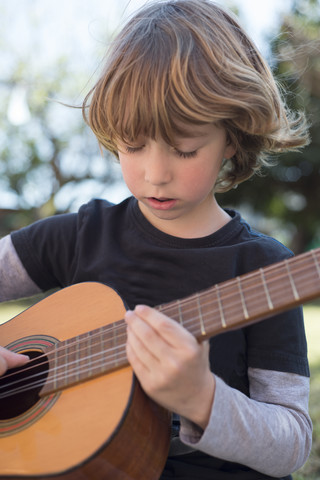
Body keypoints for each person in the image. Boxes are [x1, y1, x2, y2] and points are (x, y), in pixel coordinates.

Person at [0, 1, 312, 479]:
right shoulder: (83, 234)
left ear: (231, 137)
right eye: (133, 144)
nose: (155, 174)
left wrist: (202, 399)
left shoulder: (266, 269)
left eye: (185, 148)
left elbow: (291, 443)